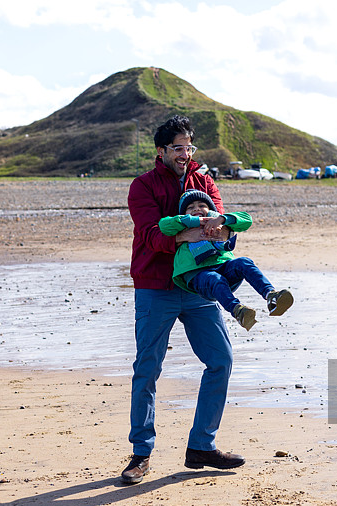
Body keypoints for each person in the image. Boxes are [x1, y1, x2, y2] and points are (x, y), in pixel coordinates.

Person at [123, 115, 243, 485]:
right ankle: (141, 454)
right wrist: (196, 231)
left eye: (189, 146)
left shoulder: (205, 181)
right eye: (178, 147)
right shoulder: (142, 187)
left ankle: (201, 446)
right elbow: (152, 236)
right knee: (148, 369)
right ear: (161, 151)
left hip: (198, 286)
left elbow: (223, 229)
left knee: (221, 360)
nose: (185, 153)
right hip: (155, 286)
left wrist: (206, 230)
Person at [158, 189, 294, 331]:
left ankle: (271, 296)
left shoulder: (219, 224)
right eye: (190, 207)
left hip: (223, 267)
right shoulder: (182, 228)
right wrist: (195, 221)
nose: (196, 208)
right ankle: (238, 310)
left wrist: (222, 219)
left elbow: (247, 219)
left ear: (210, 209)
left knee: (244, 262)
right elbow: (164, 225)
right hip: (197, 276)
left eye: (201, 205)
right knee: (214, 278)